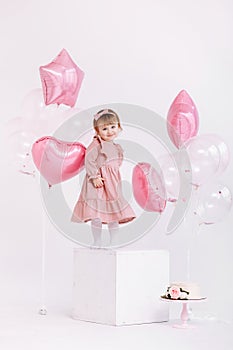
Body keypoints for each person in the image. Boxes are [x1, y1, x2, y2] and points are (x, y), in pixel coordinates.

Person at [71, 109, 136, 246]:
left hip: (112, 183)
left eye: (113, 127)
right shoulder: (96, 144)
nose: (110, 131)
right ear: (97, 130)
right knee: (96, 214)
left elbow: (116, 164)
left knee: (113, 214)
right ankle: (97, 240)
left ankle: (114, 240)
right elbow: (89, 160)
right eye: (105, 128)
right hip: (98, 183)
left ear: (119, 127)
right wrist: (94, 176)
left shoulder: (116, 146)